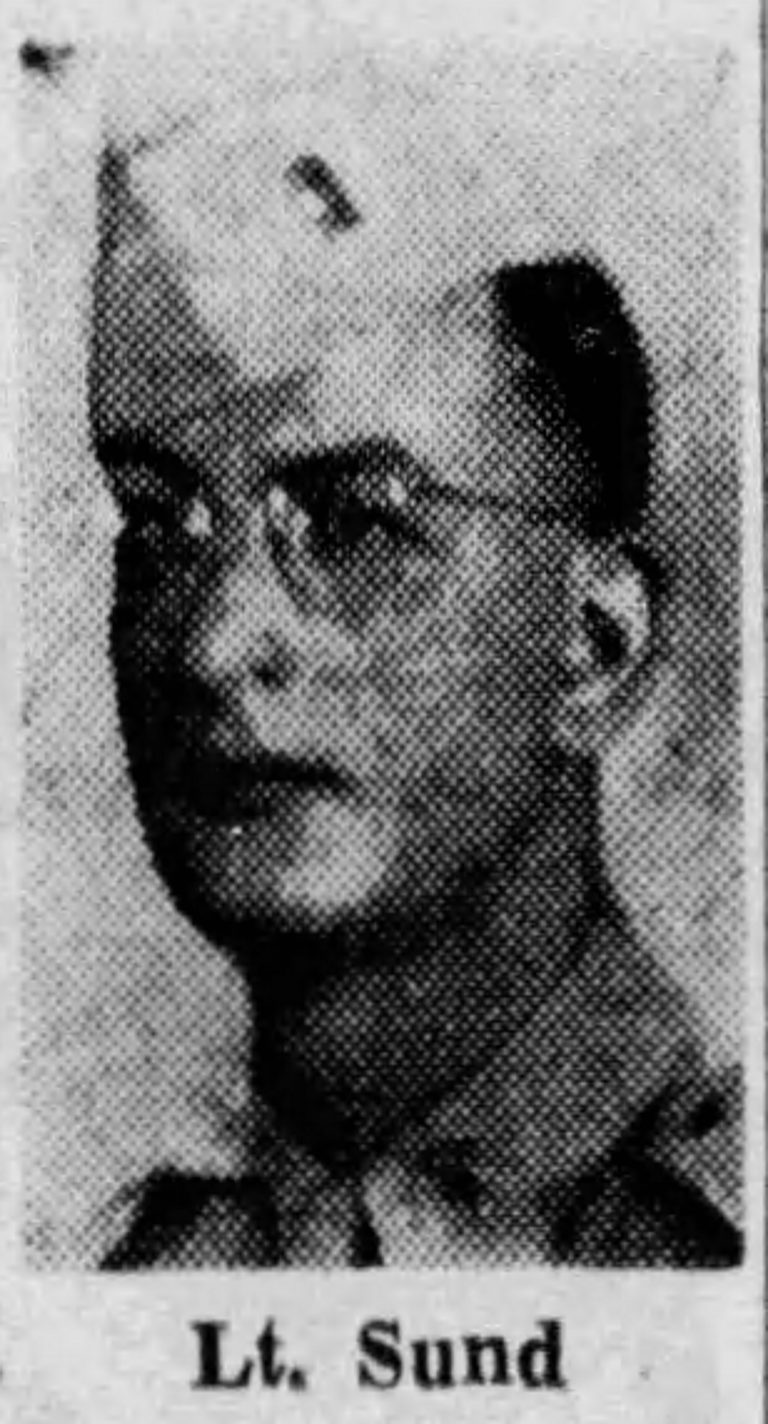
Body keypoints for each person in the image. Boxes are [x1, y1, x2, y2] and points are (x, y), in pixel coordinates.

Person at [86, 70, 741, 1269]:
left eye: (355, 520)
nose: (213, 644)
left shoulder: (715, 1247)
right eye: (157, 524)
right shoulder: (125, 1271)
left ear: (595, 642)